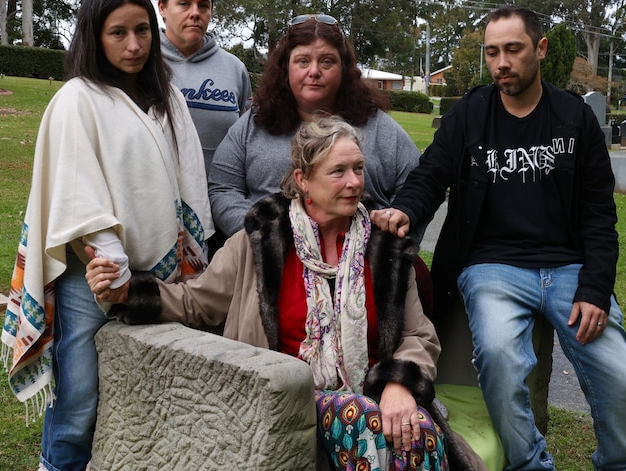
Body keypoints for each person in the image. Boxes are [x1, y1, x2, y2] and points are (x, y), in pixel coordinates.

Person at [86, 115, 484, 471]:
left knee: (419, 436)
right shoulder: (260, 242)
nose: (354, 183)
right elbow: (196, 302)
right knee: (361, 417)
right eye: (338, 171)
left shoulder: (384, 247)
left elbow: (418, 336)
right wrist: (126, 293)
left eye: (359, 169)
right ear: (302, 180)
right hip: (284, 401)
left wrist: (399, 384)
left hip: (378, 391)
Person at [372, 6, 626, 471]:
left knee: (620, 378)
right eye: (492, 52)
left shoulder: (574, 120)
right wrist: (405, 209)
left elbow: (600, 214)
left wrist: (595, 288)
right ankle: (530, 465)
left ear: (539, 50)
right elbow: (431, 173)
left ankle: (618, 464)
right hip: (491, 268)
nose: (501, 62)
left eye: (513, 50)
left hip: (568, 270)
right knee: (499, 358)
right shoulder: (470, 115)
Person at [0, 0, 213, 471]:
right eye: (118, 32)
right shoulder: (78, 98)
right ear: (93, 35)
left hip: (162, 272)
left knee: (151, 383)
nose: (134, 44)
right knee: (79, 396)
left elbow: (184, 182)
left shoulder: (167, 97)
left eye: (142, 30)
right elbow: (76, 189)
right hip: (90, 271)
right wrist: (107, 259)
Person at [207, 14, 423, 244]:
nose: (314, 71)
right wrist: (257, 235)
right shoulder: (253, 124)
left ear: (344, 69)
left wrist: (389, 231)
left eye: (327, 61)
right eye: (302, 61)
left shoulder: (381, 129)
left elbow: (417, 189)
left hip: (360, 264)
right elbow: (223, 187)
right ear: (285, 68)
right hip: (265, 261)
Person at [158, 0, 252, 175]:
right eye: (184, 3)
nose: (195, 13)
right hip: (154, 198)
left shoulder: (235, 69)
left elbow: (246, 140)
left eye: (203, 5)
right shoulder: (141, 62)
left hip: (216, 200)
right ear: (162, 7)